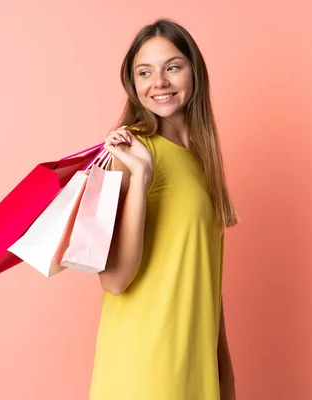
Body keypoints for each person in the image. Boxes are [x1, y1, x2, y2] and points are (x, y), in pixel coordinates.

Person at [90, 18, 239, 400]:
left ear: (194, 72)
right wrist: (140, 180)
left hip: (194, 364)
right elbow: (114, 280)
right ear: (132, 83)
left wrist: (224, 375)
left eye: (172, 66)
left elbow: (205, 278)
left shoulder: (202, 158)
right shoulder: (127, 153)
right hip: (145, 367)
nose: (159, 82)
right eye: (145, 72)